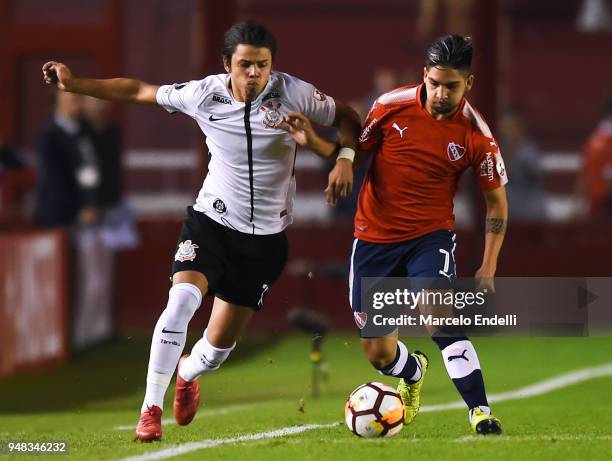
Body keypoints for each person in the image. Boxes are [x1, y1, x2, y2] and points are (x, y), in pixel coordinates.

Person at [43, 20, 360, 441]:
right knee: (180, 303)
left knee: (216, 350)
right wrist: (76, 84)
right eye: (245, 64)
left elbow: (348, 117)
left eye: (262, 65)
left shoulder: (294, 92)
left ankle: (188, 372)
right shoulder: (202, 93)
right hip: (211, 222)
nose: (254, 74)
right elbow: (138, 91)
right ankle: (150, 409)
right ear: (226, 64)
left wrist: (345, 158)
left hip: (265, 240)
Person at [350, 35, 507, 435]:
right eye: (435, 83)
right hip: (373, 239)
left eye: (451, 86)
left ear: (468, 84)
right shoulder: (388, 106)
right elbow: (357, 148)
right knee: (379, 354)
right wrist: (337, 159)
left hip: (429, 237)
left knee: (437, 313)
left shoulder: (477, 136)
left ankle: (481, 411)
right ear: (424, 75)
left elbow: (497, 205)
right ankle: (413, 370)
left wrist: (488, 265)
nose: (441, 93)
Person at [34, 91, 100, 228]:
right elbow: (53, 178)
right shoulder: (50, 135)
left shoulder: (85, 131)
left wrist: (90, 203)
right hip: (59, 213)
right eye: (71, 99)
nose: (76, 103)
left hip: (85, 211)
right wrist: (78, 208)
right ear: (59, 102)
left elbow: (88, 169)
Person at [498, 106, 545, 221]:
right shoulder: (498, 153)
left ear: (519, 128)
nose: (506, 132)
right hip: (508, 215)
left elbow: (536, 176)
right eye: (504, 128)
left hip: (529, 214)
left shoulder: (528, 153)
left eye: (510, 128)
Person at [580, 92, 612, 220]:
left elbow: (583, 177)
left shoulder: (593, 139)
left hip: (596, 204)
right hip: (606, 207)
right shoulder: (608, 141)